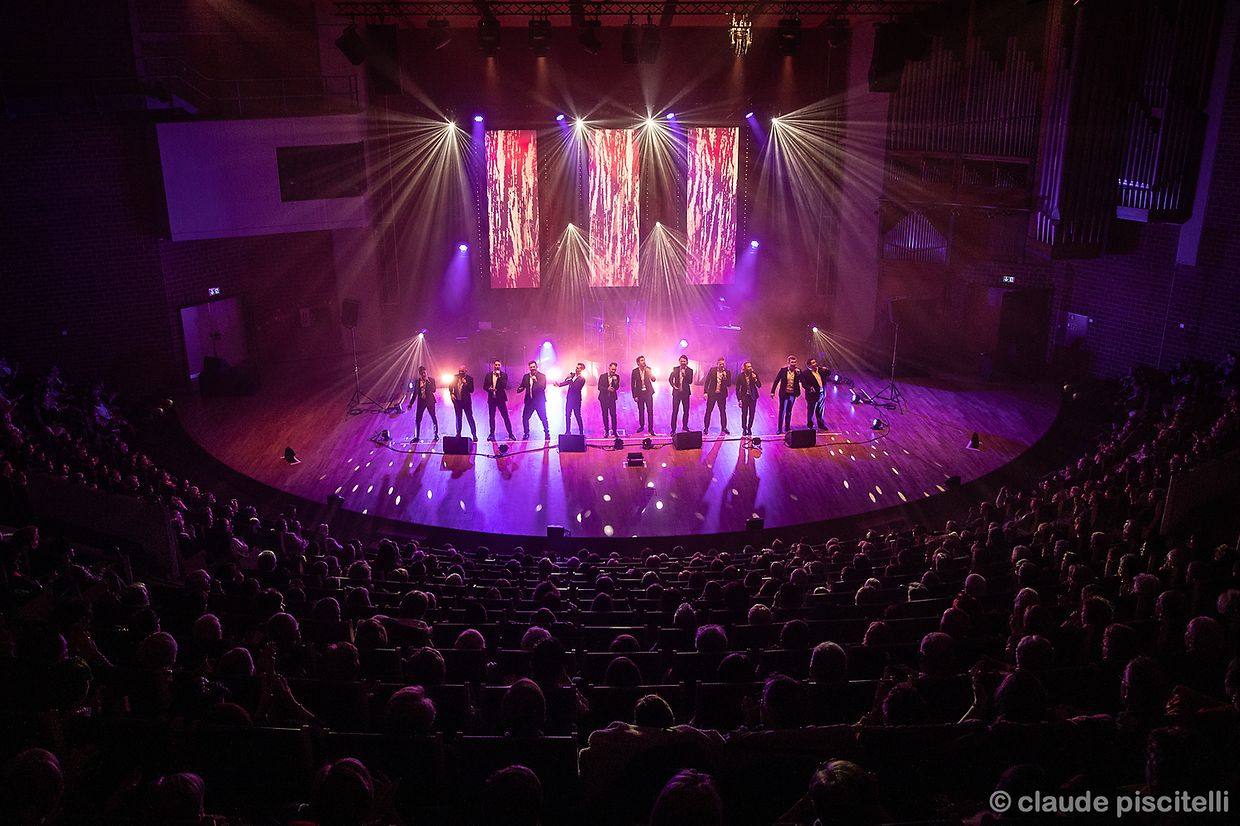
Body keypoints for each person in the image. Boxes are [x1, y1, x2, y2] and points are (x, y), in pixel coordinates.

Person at [483, 360, 516, 442]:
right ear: (493, 366)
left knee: (505, 417)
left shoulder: (504, 375)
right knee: (491, 417)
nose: (497, 366)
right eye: (496, 365)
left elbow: (506, 386)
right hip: (492, 399)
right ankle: (491, 434)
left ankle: (510, 433)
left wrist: (499, 377)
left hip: (500, 399)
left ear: (500, 366)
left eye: (498, 365)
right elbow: (484, 386)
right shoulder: (488, 375)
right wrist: (489, 389)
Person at [517, 360, 550, 441]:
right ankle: (526, 433)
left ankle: (546, 432)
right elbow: (522, 386)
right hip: (529, 401)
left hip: (539, 402)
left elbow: (542, 387)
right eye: (531, 367)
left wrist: (536, 381)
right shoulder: (526, 377)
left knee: (543, 418)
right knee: (525, 417)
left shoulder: (542, 376)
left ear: (536, 367)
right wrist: (519, 389)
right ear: (529, 368)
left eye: (534, 367)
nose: (532, 369)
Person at [770, 355, 801, 434]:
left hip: (792, 394)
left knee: (789, 411)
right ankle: (779, 429)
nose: (793, 364)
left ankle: (787, 427)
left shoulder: (798, 371)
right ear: (788, 363)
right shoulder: (783, 370)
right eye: (792, 362)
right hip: (784, 394)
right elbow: (776, 380)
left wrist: (799, 374)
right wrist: (772, 391)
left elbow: (803, 380)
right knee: (782, 411)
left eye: (795, 362)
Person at [702, 357, 731, 436]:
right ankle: (706, 427)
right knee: (709, 411)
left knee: (722, 411)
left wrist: (725, 377)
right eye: (720, 364)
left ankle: (724, 427)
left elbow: (729, 384)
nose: (722, 365)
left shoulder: (727, 372)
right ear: (717, 364)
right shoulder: (712, 370)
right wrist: (705, 392)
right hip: (712, 394)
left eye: (723, 364)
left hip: (721, 395)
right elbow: (707, 381)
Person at [410, 366, 438, 442]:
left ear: (426, 372)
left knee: (433, 417)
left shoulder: (431, 380)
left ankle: (436, 435)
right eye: (422, 373)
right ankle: (416, 437)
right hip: (421, 402)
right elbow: (415, 393)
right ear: (420, 374)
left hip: (430, 402)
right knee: (418, 419)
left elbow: (434, 390)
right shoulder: (417, 381)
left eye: (425, 373)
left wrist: (428, 382)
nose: (424, 374)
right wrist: (411, 403)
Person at [557, 362, 586, 436]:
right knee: (567, 415)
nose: (576, 369)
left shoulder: (582, 379)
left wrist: (570, 380)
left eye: (578, 368)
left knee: (577, 415)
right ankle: (567, 431)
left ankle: (581, 431)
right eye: (576, 367)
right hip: (569, 399)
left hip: (576, 400)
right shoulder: (572, 376)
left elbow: (576, 387)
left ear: (581, 370)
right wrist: (559, 384)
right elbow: (567, 382)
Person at [801, 356, 829, 431]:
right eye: (813, 363)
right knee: (811, 410)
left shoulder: (820, 370)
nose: (815, 364)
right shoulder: (805, 373)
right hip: (812, 395)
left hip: (822, 393)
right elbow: (804, 384)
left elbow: (829, 374)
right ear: (809, 365)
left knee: (820, 410)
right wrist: (809, 387)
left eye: (815, 362)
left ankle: (821, 424)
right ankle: (810, 425)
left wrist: (826, 370)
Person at [450, 365, 477, 441]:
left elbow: (472, 390)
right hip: (457, 402)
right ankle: (458, 434)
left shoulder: (469, 379)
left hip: (466, 402)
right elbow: (450, 386)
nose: (460, 373)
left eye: (462, 371)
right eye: (459, 371)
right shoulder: (455, 377)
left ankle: (474, 435)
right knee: (458, 418)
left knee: (470, 418)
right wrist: (451, 393)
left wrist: (466, 384)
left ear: (466, 371)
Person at [631, 355, 656, 435]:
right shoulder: (635, 371)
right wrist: (634, 395)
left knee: (650, 411)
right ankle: (641, 426)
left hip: (648, 393)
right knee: (641, 410)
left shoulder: (649, 369)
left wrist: (650, 373)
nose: (644, 361)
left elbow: (654, 380)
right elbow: (632, 384)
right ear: (638, 363)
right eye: (642, 360)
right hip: (640, 393)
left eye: (644, 360)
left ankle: (650, 428)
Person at [669, 355, 694, 434]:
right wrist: (673, 386)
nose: (683, 363)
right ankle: (673, 429)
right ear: (679, 361)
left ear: (687, 362)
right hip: (676, 393)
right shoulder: (675, 369)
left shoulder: (690, 370)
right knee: (675, 411)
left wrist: (684, 375)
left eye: (684, 361)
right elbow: (670, 379)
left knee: (686, 411)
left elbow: (690, 381)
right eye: (681, 361)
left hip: (685, 393)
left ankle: (685, 426)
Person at [736, 362, 761, 436]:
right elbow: (737, 389)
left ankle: (749, 428)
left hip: (753, 397)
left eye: (750, 366)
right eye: (748, 367)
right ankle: (744, 428)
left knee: (752, 413)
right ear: (744, 368)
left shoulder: (754, 375)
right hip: (744, 397)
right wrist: (739, 399)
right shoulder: (740, 376)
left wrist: (755, 379)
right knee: (744, 413)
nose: (749, 368)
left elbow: (759, 385)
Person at [598, 362, 621, 438]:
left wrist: (615, 381)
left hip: (612, 399)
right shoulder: (602, 376)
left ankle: (614, 431)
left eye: (615, 370)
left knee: (613, 415)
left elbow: (617, 388)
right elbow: (599, 387)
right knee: (605, 415)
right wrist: (607, 389)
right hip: (603, 398)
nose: (613, 371)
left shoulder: (617, 377)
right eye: (612, 369)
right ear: (609, 368)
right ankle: (606, 430)